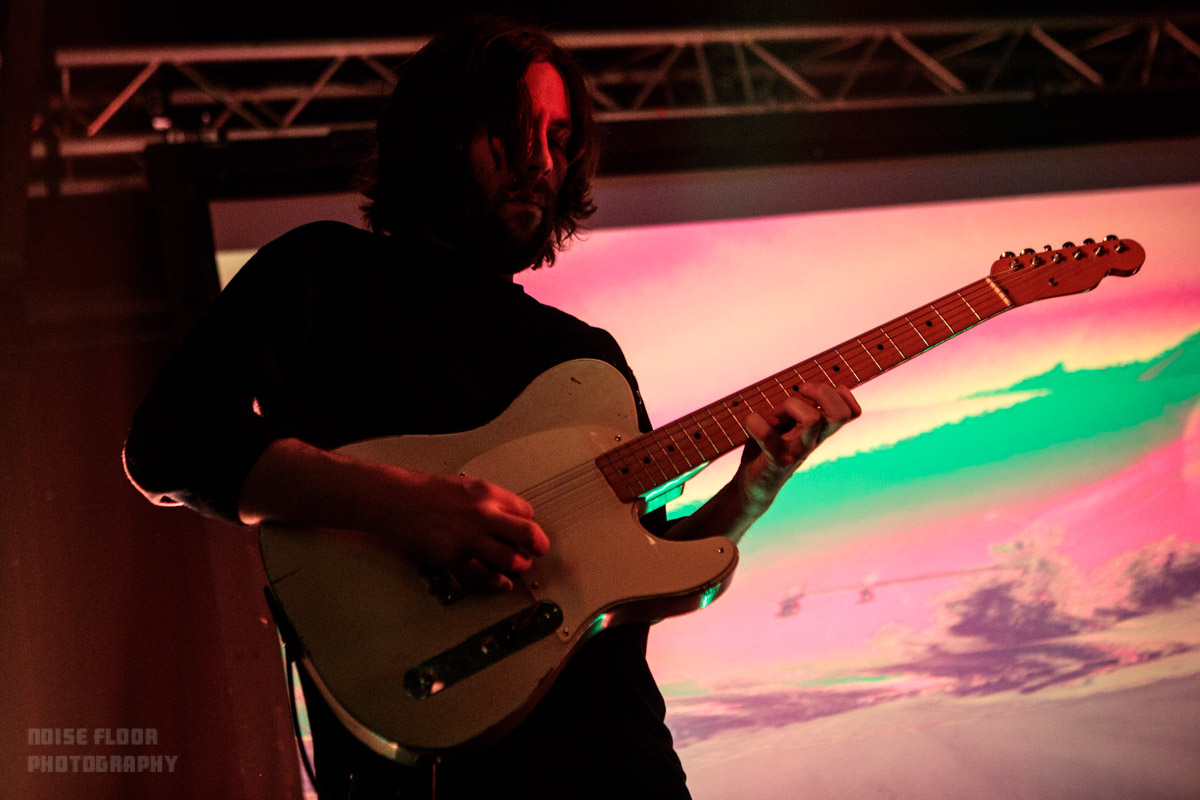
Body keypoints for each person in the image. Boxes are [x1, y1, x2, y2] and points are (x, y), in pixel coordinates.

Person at [124, 16, 860, 799]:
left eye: (558, 139)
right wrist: (409, 506)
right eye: (510, 131)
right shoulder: (321, 271)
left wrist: (753, 488)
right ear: (435, 134)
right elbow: (170, 442)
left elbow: (632, 574)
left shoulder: (586, 356)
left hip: (625, 767)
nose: (539, 162)